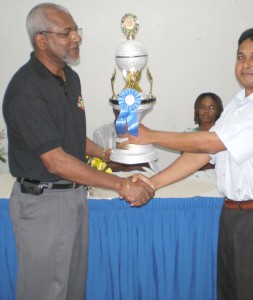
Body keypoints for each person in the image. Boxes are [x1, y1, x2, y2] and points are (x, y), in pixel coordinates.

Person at [123, 28, 253, 300]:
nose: (246, 64)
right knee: (229, 291)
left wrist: (152, 135)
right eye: (241, 57)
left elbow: (210, 143)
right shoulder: (237, 106)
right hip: (231, 214)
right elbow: (202, 155)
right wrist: (152, 183)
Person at [2, 3, 154, 300]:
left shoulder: (69, 79)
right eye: (67, 32)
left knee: (72, 291)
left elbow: (71, 138)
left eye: (76, 30)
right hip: (43, 204)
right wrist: (121, 185)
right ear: (41, 40)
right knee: (44, 293)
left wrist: (109, 155)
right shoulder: (26, 89)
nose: (77, 38)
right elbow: (56, 160)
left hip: (73, 198)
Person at [93, 109, 159, 172]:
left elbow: (146, 164)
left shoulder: (141, 132)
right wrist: (131, 162)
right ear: (114, 110)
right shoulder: (100, 133)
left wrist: (117, 162)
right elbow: (99, 167)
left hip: (140, 177)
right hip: (111, 179)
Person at [184, 92, 223, 170]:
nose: (206, 111)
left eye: (211, 108)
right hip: (192, 177)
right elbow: (185, 161)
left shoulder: (222, 135)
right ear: (197, 110)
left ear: (218, 111)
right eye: (202, 107)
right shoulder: (188, 134)